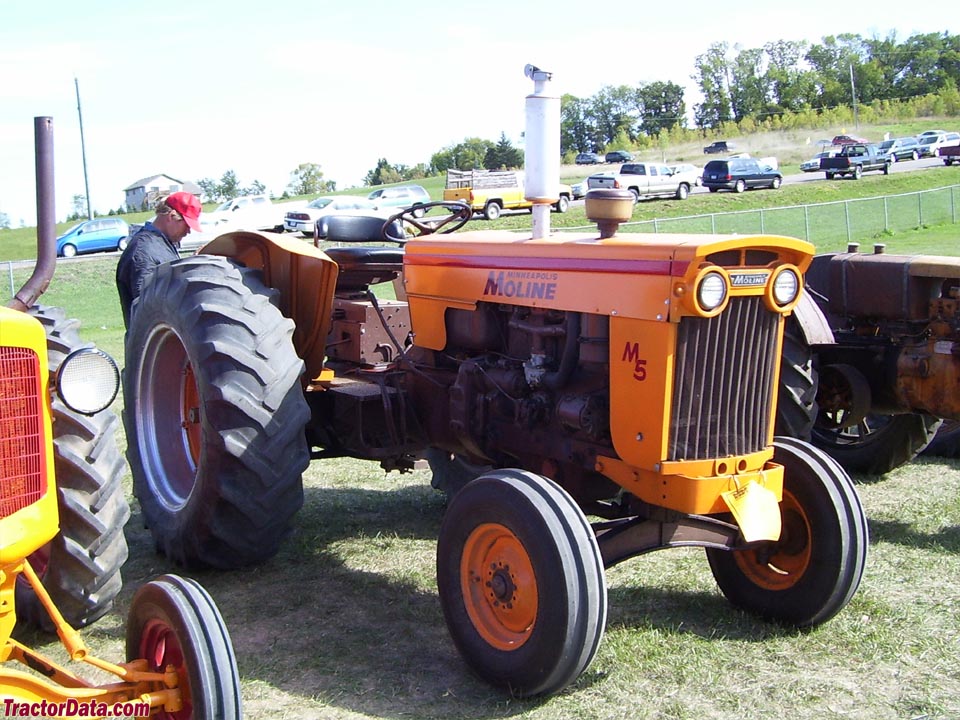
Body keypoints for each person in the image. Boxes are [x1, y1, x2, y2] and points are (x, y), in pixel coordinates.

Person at [116, 191, 202, 329]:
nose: (188, 231)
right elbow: (147, 308)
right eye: (186, 224)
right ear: (171, 216)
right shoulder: (143, 252)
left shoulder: (161, 244)